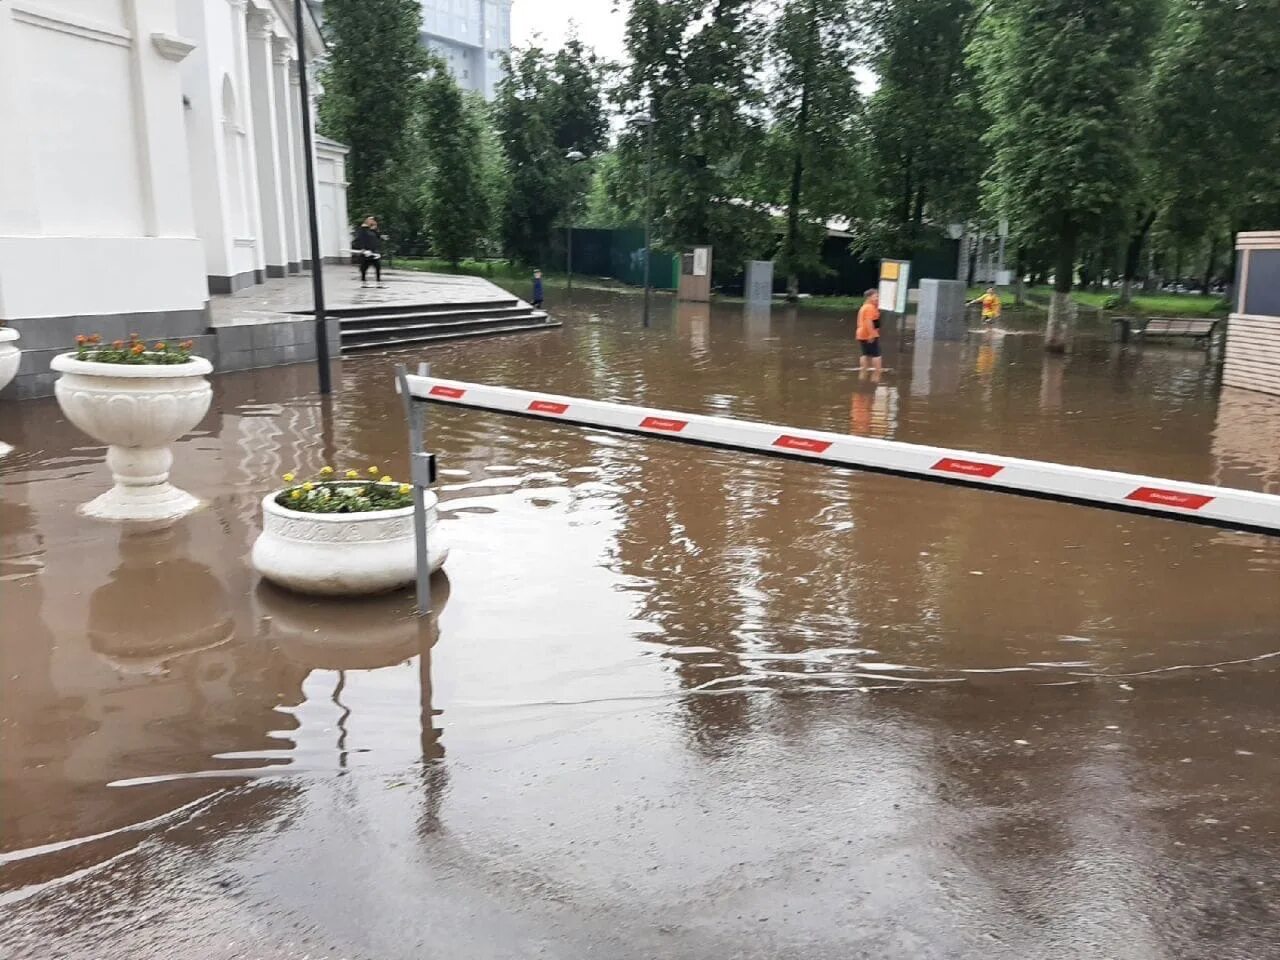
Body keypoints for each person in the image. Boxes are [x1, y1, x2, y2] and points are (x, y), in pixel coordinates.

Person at [856, 288, 882, 373]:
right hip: (868, 334)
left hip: (861, 334)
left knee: (865, 354)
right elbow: (869, 321)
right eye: (876, 296)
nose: (878, 298)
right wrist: (872, 334)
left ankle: (863, 371)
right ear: (869, 297)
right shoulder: (870, 308)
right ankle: (877, 373)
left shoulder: (866, 306)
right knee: (877, 354)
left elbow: (875, 321)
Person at [353, 216, 383, 288]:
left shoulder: (373, 231)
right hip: (366, 253)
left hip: (374, 252)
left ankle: (378, 282)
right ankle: (364, 282)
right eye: (371, 220)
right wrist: (362, 248)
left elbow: (378, 238)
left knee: (378, 267)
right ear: (367, 221)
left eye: (373, 220)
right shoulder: (363, 230)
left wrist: (375, 228)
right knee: (364, 268)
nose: (372, 221)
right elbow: (360, 239)